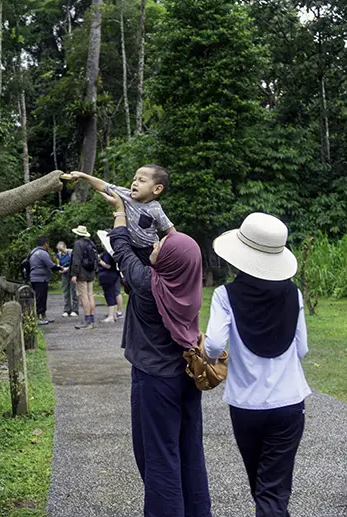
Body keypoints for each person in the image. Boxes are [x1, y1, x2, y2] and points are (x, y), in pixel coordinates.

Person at [102, 190, 212, 517]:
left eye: (162, 245)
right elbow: (140, 250)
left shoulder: (150, 287)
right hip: (186, 376)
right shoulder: (187, 285)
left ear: (170, 260)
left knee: (158, 456)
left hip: (155, 380)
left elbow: (121, 250)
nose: (156, 245)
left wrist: (120, 212)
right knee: (189, 450)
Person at [204, 212, 310, 517]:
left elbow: (212, 344)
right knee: (272, 490)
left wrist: (212, 360)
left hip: (246, 405)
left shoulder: (226, 295)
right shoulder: (294, 293)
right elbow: (301, 348)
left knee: (262, 487)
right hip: (289, 402)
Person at [72, 166, 175, 265]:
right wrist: (83, 176)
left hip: (148, 250)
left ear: (157, 189)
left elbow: (171, 232)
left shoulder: (155, 209)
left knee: (146, 277)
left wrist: (162, 246)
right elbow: (104, 186)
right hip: (129, 247)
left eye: (141, 180)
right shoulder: (125, 195)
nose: (135, 183)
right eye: (134, 179)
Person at [28, 236, 65, 325]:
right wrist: (60, 268)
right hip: (40, 278)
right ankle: (38, 318)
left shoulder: (34, 251)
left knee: (41, 297)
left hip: (35, 277)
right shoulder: (42, 253)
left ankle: (44, 316)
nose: (48, 245)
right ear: (45, 244)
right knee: (40, 298)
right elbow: (51, 265)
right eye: (47, 243)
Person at [70, 225, 97, 329]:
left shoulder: (78, 244)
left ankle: (86, 320)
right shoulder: (91, 243)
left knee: (83, 296)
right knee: (90, 295)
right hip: (91, 273)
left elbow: (76, 260)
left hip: (81, 273)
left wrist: (74, 274)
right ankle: (92, 320)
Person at [98, 249, 123, 323]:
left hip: (108, 275)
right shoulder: (113, 251)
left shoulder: (108, 253)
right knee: (113, 294)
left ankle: (111, 316)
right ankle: (114, 314)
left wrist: (99, 260)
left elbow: (108, 265)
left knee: (109, 295)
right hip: (114, 274)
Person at [56, 241, 79, 317]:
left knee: (74, 291)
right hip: (64, 275)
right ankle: (67, 310)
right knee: (66, 292)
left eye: (61, 249)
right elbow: (58, 264)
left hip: (72, 274)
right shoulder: (59, 255)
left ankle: (75, 310)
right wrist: (59, 268)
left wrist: (67, 269)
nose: (60, 251)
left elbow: (75, 263)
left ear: (65, 247)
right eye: (59, 250)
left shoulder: (71, 252)